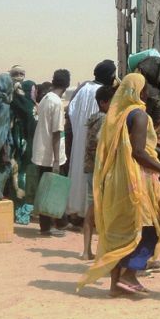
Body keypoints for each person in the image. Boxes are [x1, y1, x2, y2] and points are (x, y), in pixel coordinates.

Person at [77, 74, 160, 296]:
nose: (148, 94)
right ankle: (129, 274)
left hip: (116, 180)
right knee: (150, 228)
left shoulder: (116, 117)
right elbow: (139, 152)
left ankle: (116, 285)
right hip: (136, 181)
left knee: (121, 232)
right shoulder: (139, 115)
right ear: (139, 92)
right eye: (146, 89)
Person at [67, 60, 117, 219]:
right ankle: (90, 217)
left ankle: (77, 213)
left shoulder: (83, 89)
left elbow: (71, 112)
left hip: (80, 140)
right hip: (94, 145)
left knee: (79, 176)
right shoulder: (103, 94)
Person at [31, 69, 70, 236]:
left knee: (45, 189)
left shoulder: (46, 98)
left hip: (42, 151)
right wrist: (56, 160)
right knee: (53, 190)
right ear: (67, 85)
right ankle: (48, 226)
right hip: (51, 154)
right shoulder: (56, 103)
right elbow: (56, 132)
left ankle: (59, 222)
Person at [82, 84, 115, 260]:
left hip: (91, 168)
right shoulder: (104, 119)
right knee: (98, 209)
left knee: (93, 208)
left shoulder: (94, 118)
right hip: (99, 169)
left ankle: (87, 250)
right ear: (103, 103)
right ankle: (95, 251)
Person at [9, 79, 38, 224]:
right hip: (26, 146)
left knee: (22, 176)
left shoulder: (26, 105)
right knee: (22, 176)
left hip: (25, 146)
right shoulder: (29, 106)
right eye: (33, 90)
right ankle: (21, 210)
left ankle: (22, 209)